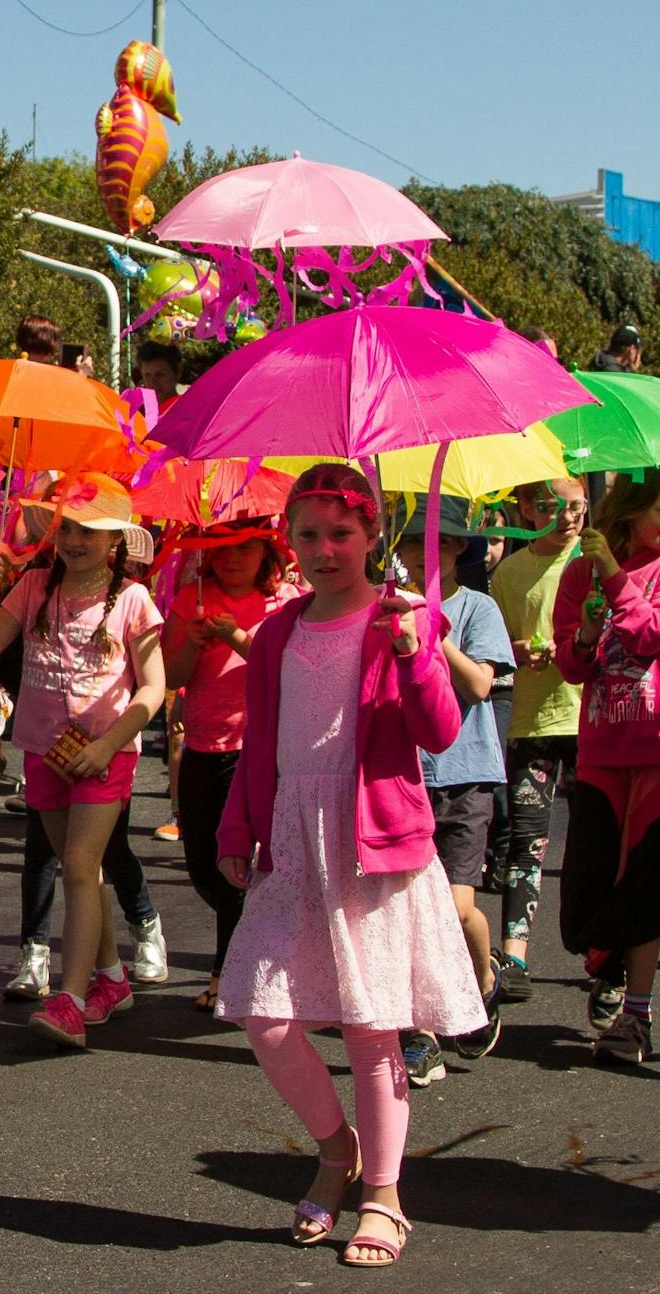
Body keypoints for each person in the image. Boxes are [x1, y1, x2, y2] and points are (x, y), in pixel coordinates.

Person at [216, 463, 483, 1269]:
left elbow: (438, 731)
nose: (325, 550)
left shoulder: (402, 619)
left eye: (342, 534)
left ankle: (384, 1196)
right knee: (264, 1015)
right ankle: (338, 1149)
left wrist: (416, 654)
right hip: (294, 840)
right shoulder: (277, 631)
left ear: (374, 537)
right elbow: (257, 741)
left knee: (373, 1029)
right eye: (308, 535)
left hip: (373, 840)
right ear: (288, 540)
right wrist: (239, 829)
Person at [0, 474, 168, 1050]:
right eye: (69, 528)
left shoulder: (134, 600)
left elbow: (152, 689)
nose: (77, 540)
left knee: (81, 868)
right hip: (42, 749)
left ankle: (72, 1000)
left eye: (92, 531)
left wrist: (108, 745)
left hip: (106, 756)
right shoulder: (32, 587)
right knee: (81, 869)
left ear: (116, 544)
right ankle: (110, 979)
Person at [395, 499, 515, 1086]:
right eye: (415, 543)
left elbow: (480, 684)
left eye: (439, 543)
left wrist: (433, 635)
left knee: (456, 908)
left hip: (465, 774)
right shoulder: (389, 609)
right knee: (409, 910)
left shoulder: (478, 607)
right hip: (403, 777)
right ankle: (421, 1031)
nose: (426, 553)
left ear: (457, 550)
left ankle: (483, 978)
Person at [160, 521, 297, 1013]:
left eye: (244, 549)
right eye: (221, 549)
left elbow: (282, 668)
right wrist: (193, 642)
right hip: (200, 747)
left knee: (233, 869)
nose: (232, 559)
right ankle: (259, 938)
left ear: (267, 551)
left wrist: (235, 635)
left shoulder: (285, 600)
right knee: (200, 864)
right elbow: (170, 676)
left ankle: (226, 972)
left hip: (255, 750)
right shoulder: (192, 596)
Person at [554, 474, 660, 1065]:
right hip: (601, 747)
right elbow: (571, 665)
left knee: (645, 884)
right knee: (591, 889)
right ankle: (607, 965)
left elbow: (649, 638)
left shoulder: (611, 571)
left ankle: (635, 1016)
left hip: (656, 746)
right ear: (636, 508)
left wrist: (618, 580)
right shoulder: (581, 571)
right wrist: (588, 635)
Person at [490, 478, 587, 1004]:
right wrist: (516, 649)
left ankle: (601, 950)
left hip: (593, 719)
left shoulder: (598, 562)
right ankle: (515, 953)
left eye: (575, 506)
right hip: (532, 723)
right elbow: (494, 644)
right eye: (551, 507)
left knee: (595, 843)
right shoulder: (511, 571)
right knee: (526, 842)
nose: (567, 517)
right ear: (527, 507)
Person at [134, 340, 184, 405]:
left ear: (178, 372)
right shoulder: (136, 412)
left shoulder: (192, 411)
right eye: (147, 375)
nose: (153, 382)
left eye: (160, 374)